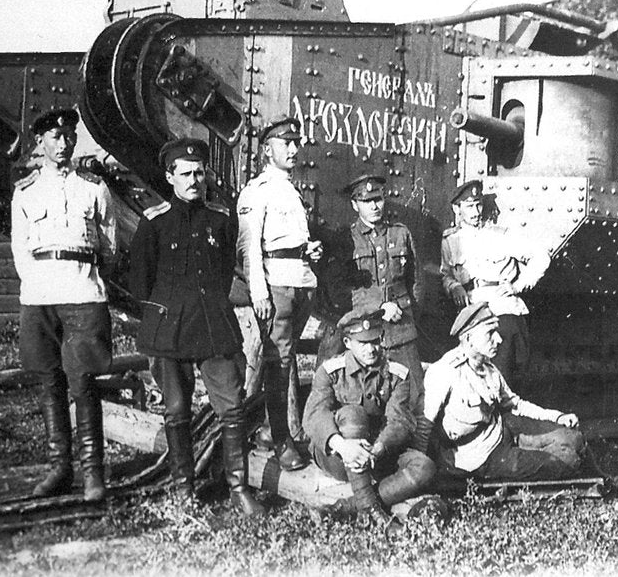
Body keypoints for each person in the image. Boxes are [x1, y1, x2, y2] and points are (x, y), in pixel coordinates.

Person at [128, 138, 265, 517]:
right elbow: (141, 281)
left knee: (233, 407)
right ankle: (184, 489)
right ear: (170, 177)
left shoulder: (220, 220)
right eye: (185, 173)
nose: (193, 180)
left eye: (199, 172)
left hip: (211, 326)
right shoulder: (154, 221)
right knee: (176, 411)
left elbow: (222, 275)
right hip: (168, 328)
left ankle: (239, 489)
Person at [10, 108, 117, 502]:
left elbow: (108, 243)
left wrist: (86, 276)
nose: (63, 143)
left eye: (69, 135)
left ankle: (93, 474)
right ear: (40, 142)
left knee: (83, 381)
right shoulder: (25, 191)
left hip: (83, 293)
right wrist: (37, 284)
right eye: (55, 137)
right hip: (40, 295)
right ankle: (60, 468)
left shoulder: (92, 187)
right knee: (48, 381)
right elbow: (20, 249)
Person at [236, 117, 322, 472]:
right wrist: (259, 292)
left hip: (300, 281)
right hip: (276, 287)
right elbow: (250, 248)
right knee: (279, 363)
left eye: (296, 143)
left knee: (284, 362)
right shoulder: (257, 190)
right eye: (285, 143)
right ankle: (280, 440)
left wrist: (310, 251)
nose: (293, 149)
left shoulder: (292, 189)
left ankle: (275, 431)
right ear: (266, 149)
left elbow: (290, 242)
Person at [418, 302, 584, 482]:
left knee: (573, 438)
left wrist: (557, 417)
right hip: (478, 455)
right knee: (568, 461)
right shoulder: (445, 371)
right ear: (468, 339)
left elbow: (515, 404)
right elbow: (423, 425)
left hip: (501, 429)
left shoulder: (488, 366)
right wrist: (418, 469)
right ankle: (543, 456)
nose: (498, 339)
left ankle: (540, 451)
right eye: (490, 333)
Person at [303, 310, 436, 528]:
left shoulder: (397, 373)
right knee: (353, 414)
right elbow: (315, 415)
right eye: (362, 343)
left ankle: (345, 507)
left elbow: (399, 421)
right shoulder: (330, 371)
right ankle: (373, 510)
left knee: (425, 467)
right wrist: (343, 447)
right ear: (347, 342)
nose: (371, 348)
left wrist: (379, 448)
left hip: (375, 454)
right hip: (337, 457)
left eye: (375, 340)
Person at [319, 174, 423, 405]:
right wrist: (379, 307)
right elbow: (338, 289)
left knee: (415, 395)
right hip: (361, 329)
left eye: (378, 199)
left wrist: (405, 312)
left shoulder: (400, 233)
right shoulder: (346, 238)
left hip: (400, 327)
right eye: (367, 201)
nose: (375, 206)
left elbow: (415, 282)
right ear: (355, 205)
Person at [440, 180, 550, 385]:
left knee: (501, 377)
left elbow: (541, 257)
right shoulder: (450, 241)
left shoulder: (500, 236)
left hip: (502, 312)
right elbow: (446, 273)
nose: (476, 211)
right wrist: (454, 286)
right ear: (457, 209)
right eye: (469, 206)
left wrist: (518, 286)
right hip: (471, 314)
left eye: (478, 204)